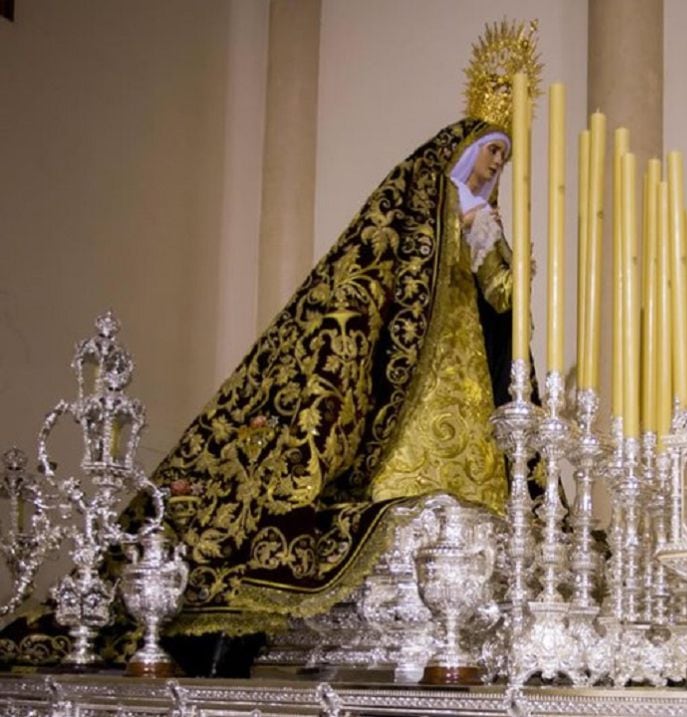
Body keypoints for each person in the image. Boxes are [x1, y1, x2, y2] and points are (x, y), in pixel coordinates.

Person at [0, 117, 522, 674]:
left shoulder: (483, 220)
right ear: (463, 152)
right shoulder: (424, 201)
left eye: (503, 159)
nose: (496, 165)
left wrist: (501, 257)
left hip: (460, 361)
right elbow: (387, 275)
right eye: (492, 151)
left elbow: (502, 296)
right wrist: (454, 225)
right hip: (414, 367)